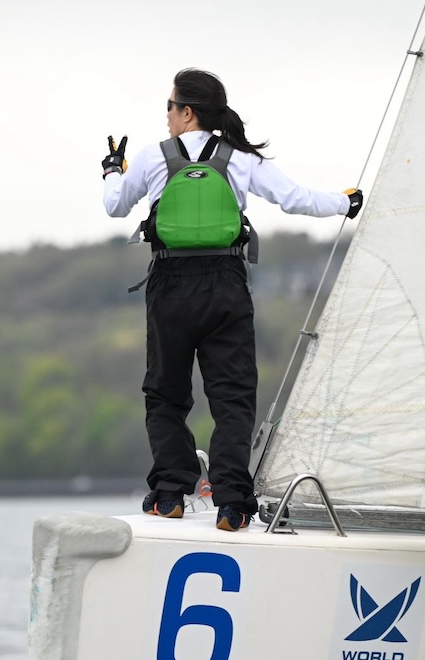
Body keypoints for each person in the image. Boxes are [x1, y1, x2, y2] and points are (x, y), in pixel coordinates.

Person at [101, 68, 363, 532]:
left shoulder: (150, 157)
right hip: (225, 283)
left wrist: (112, 171)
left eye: (169, 107)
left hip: (169, 285)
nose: (165, 117)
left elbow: (115, 206)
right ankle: (232, 504)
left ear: (187, 112)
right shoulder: (240, 158)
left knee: (165, 392)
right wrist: (346, 202)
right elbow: (296, 199)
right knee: (233, 396)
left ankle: (169, 496)